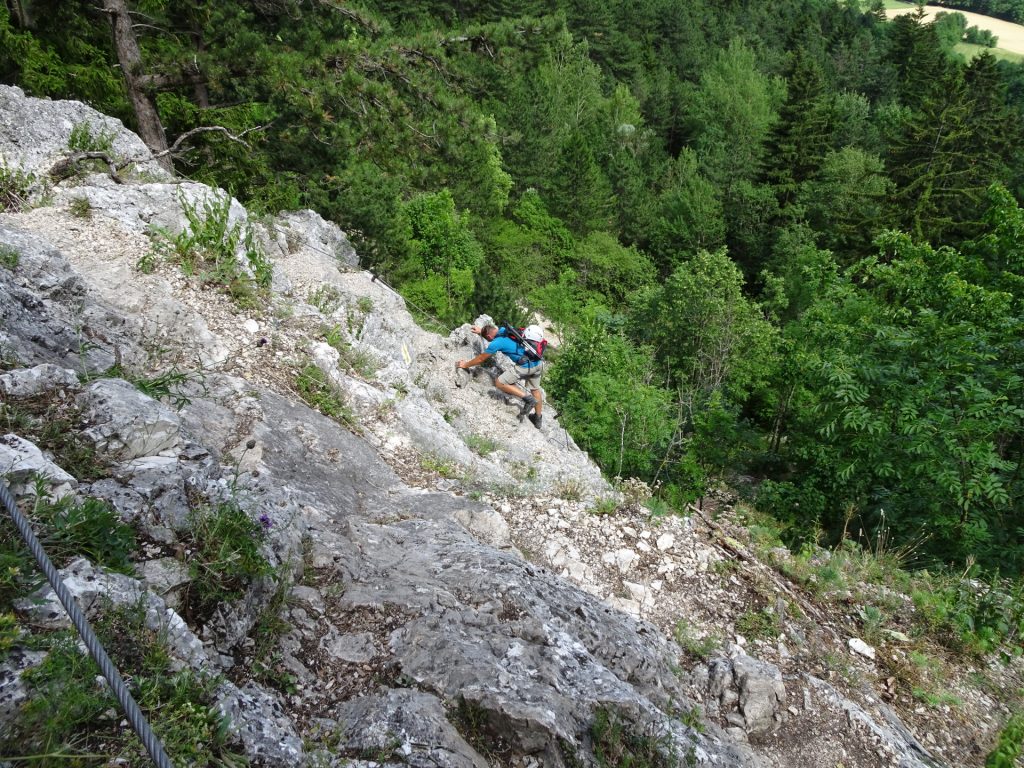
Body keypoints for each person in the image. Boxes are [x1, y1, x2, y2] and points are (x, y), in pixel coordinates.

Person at [457, 324, 545, 429]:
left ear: (489, 337)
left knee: (500, 382)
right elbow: (492, 332)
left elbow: (481, 359)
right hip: (537, 362)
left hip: (526, 367)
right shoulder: (506, 330)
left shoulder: (496, 343)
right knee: (535, 390)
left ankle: (528, 399)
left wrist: (465, 365)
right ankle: (538, 418)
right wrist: (482, 331)